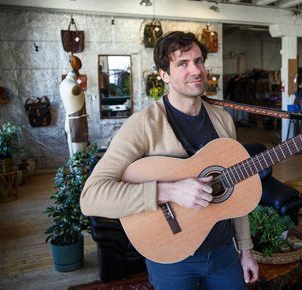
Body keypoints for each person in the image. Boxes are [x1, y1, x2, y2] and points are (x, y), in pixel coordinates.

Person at [80, 31, 259, 289]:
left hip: (223, 253)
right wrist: (170, 191)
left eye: (198, 61)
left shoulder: (223, 121)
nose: (196, 70)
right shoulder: (143, 125)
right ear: (164, 75)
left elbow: (235, 191)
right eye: (182, 64)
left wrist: (245, 249)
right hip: (171, 257)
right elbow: (91, 197)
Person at [59, 64, 88, 157]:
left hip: (68, 120)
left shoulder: (63, 83)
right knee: (80, 154)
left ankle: (74, 171)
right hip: (77, 123)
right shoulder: (75, 86)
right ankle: (80, 172)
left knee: (73, 154)